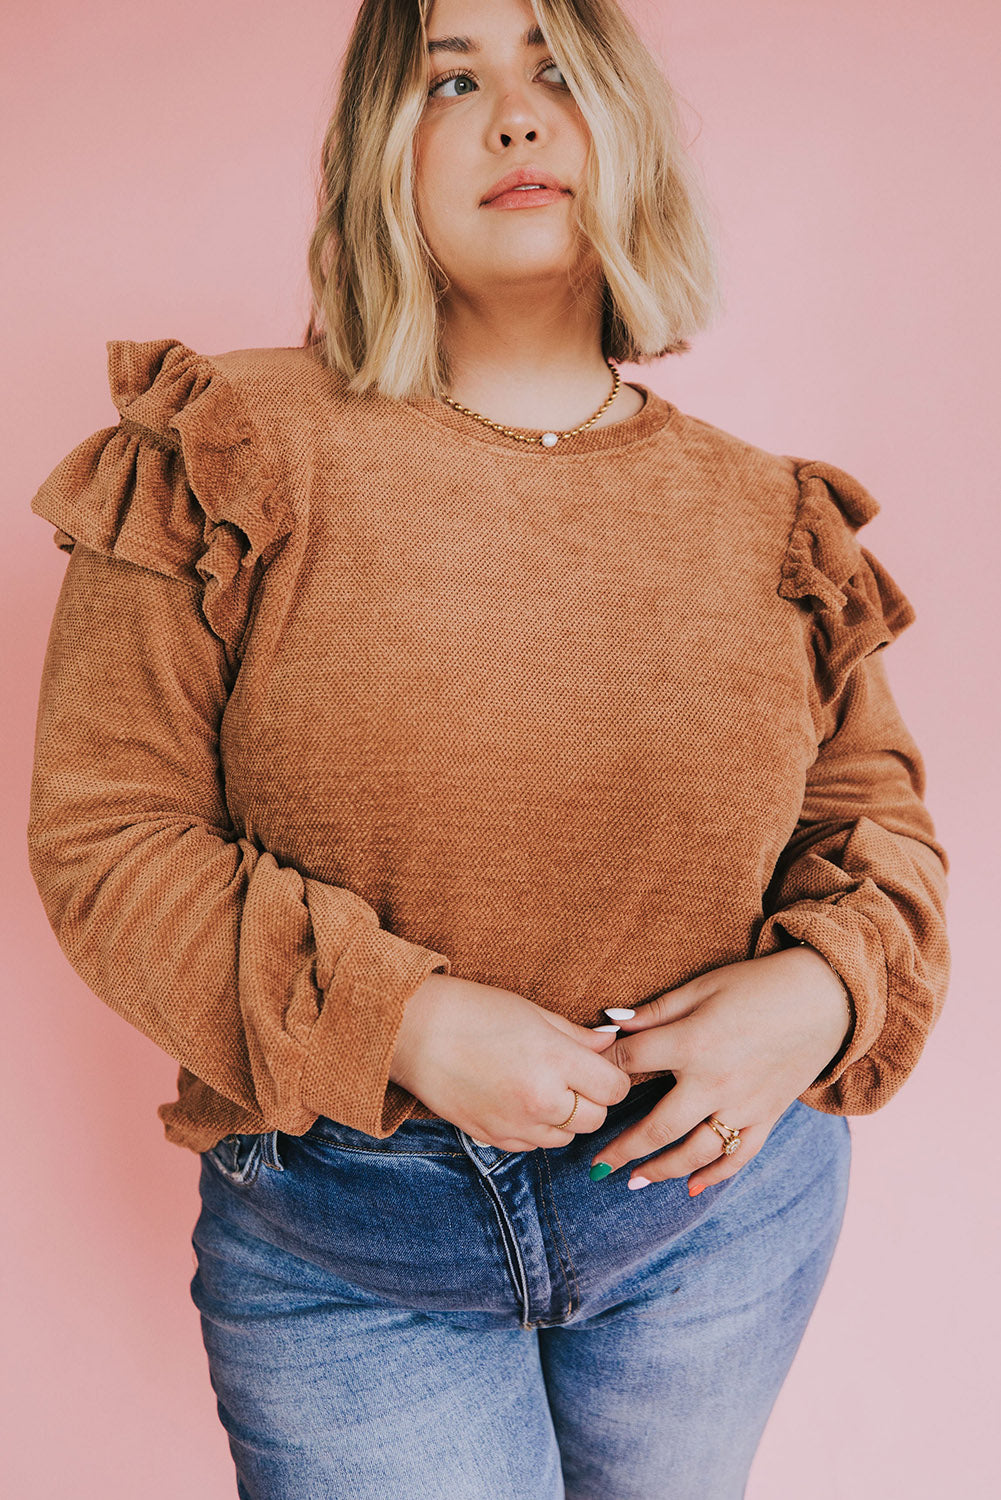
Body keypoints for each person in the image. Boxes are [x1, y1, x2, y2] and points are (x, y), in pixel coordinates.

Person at [25, 0, 950, 1495]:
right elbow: (107, 837)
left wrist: (815, 995)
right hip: (343, 1247)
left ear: (631, 134)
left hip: (719, 1220)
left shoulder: (768, 514)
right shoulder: (222, 447)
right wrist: (399, 1021)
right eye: (452, 77)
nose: (515, 116)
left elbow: (877, 833)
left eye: (559, 74)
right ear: (374, 155)